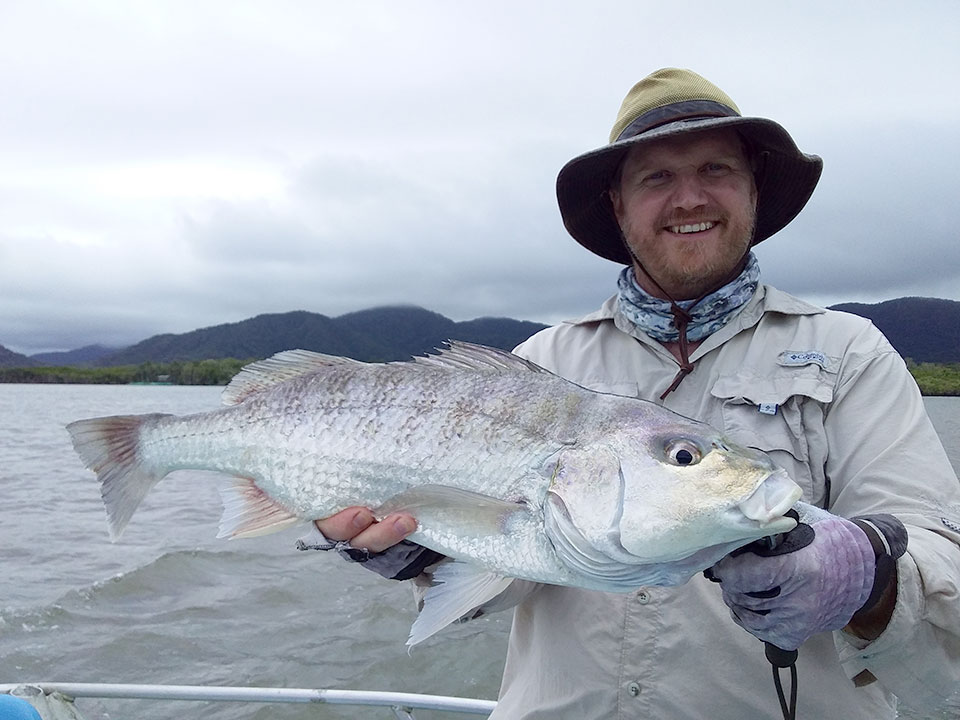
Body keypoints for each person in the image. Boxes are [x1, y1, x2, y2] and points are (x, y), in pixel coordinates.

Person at [311, 69, 960, 719]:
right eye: (656, 177)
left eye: (716, 169)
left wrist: (863, 577)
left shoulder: (851, 354)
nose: (689, 199)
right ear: (618, 205)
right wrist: (420, 553)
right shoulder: (537, 365)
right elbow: (499, 572)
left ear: (753, 191)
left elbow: (938, 565)